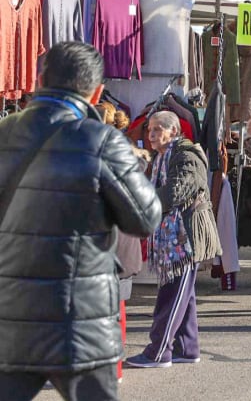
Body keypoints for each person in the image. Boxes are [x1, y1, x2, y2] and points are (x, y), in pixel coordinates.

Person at [0, 42, 161, 400]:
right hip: (80, 324)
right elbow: (145, 219)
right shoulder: (101, 140)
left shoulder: (4, 134)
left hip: (10, 320)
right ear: (97, 92)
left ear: (39, 79)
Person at [125, 111, 222, 368]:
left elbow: (177, 191)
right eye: (149, 130)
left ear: (175, 132)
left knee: (172, 294)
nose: (151, 134)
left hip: (184, 238)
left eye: (158, 129)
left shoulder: (186, 155)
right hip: (176, 237)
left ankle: (158, 352)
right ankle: (187, 348)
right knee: (183, 295)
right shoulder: (162, 157)